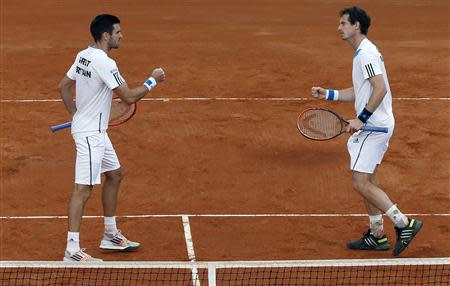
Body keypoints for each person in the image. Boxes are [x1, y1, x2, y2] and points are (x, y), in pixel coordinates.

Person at [311, 6, 422, 256]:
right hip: (379, 124)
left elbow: (380, 88)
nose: (339, 28)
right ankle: (377, 235)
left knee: (360, 182)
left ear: (356, 25)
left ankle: (405, 223)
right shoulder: (363, 53)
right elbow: (363, 90)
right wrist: (330, 94)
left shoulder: (366, 54)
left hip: (375, 126)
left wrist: (361, 119)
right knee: (367, 181)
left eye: (343, 23)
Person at [58, 14, 165, 262]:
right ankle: (72, 250)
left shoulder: (83, 55)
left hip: (93, 130)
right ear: (106, 35)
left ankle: (110, 235)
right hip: (90, 134)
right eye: (118, 32)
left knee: (115, 174)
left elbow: (63, 86)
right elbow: (128, 97)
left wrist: (75, 114)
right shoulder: (105, 63)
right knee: (82, 189)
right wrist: (153, 81)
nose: (121, 35)